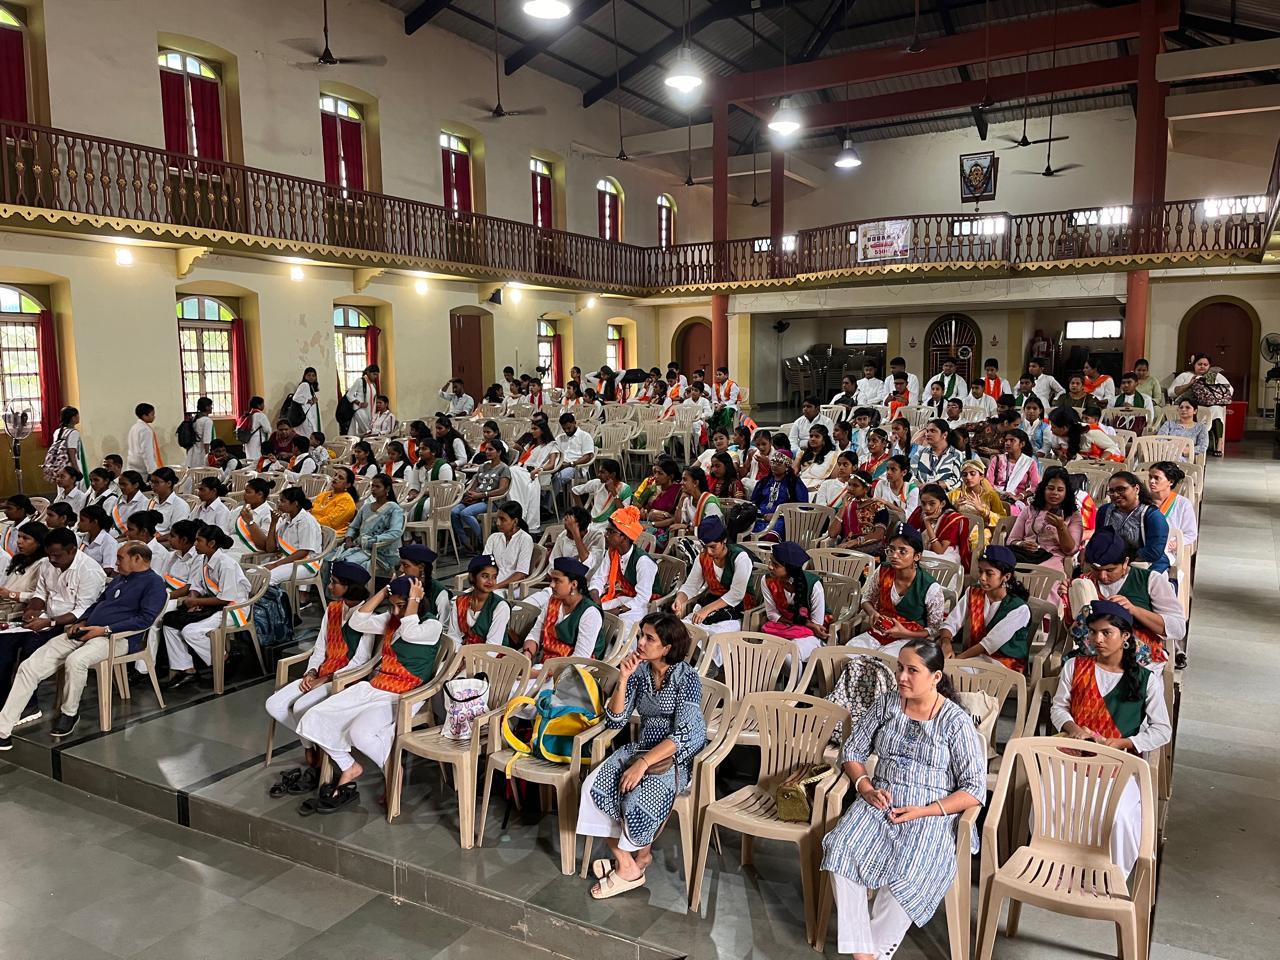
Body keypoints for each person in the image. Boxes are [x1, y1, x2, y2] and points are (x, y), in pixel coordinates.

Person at [820, 638, 986, 960]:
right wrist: (865, 787)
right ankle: (866, 955)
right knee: (840, 848)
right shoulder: (886, 705)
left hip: (931, 813)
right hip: (879, 799)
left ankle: (870, 953)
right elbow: (852, 751)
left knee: (910, 870)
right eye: (899, 668)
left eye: (912, 670)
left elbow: (974, 789)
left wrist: (925, 810)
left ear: (936, 677)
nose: (901, 677)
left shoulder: (955, 722)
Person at [578, 613, 705, 900]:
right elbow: (615, 720)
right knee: (592, 788)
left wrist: (643, 764)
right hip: (641, 748)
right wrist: (622, 679)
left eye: (649, 638)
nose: (641, 642)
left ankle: (637, 860)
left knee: (636, 798)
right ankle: (628, 865)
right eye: (641, 636)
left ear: (667, 647)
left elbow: (685, 734)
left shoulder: (688, 678)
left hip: (674, 760)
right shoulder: (639, 672)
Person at [294, 576, 446, 814]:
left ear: (416, 601)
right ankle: (349, 766)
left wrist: (413, 600)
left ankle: (393, 769)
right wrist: (386, 592)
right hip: (375, 686)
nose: (395, 611)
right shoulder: (392, 618)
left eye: (400, 605)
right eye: (392, 605)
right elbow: (358, 621)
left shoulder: (431, 626)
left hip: (403, 694)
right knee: (315, 715)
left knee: (360, 732)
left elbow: (410, 633)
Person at [0, 540, 164, 746]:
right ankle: (2, 730)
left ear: (137, 558)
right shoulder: (119, 579)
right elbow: (98, 603)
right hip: (86, 631)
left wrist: (104, 630)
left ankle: (69, 713)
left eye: (121, 558)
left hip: (115, 638)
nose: (116, 562)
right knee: (29, 667)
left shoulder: (154, 584)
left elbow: (145, 619)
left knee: (76, 661)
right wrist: (82, 621)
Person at [1049, 601, 1171, 873]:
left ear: (1125, 636)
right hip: (1076, 758)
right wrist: (1074, 729)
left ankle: (1109, 874)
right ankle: (1062, 868)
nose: (1097, 640)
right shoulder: (1075, 667)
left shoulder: (1144, 679)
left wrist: (1126, 743)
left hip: (1118, 764)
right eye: (1093, 633)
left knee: (1118, 816)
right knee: (1052, 803)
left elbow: (1162, 729)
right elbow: (1058, 707)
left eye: (1106, 633)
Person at [264, 561, 376, 797]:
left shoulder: (368, 617)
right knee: (274, 704)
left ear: (350, 587)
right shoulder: (333, 609)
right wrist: (312, 672)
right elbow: (319, 648)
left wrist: (325, 679)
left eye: (334, 583)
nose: (329, 585)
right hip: (322, 673)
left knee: (302, 705)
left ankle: (342, 760)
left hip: (345, 679)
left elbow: (361, 661)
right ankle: (311, 744)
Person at [0, 527, 108, 726]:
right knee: (4, 643)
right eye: (49, 555)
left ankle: (29, 706)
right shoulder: (48, 564)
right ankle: (6, 699)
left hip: (69, 625)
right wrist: (32, 610)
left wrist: (49, 622)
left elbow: (83, 610)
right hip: (45, 618)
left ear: (72, 551)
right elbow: (41, 594)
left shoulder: (89, 570)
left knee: (31, 650)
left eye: (57, 555)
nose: (52, 560)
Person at [1070, 528, 1184, 669]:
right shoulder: (1085, 583)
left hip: (1142, 659)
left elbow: (1178, 628)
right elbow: (1074, 629)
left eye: (1110, 570)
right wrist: (1069, 600)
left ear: (1125, 562)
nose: (1103, 576)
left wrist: (1135, 610)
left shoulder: (1150, 580)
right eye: (1096, 569)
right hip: (1095, 655)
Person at [160, 524, 250, 689]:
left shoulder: (226, 564)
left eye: (199, 541)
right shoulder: (203, 559)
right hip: (212, 605)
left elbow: (226, 598)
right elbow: (196, 585)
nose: (195, 544)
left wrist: (197, 602)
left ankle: (224, 659)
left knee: (191, 632)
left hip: (234, 608)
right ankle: (186, 669)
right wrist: (193, 599)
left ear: (211, 543)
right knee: (170, 623)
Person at [846, 523, 946, 655]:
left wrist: (905, 633)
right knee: (848, 653)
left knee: (884, 662)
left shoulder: (930, 587)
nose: (894, 555)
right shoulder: (883, 571)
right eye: (891, 550)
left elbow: (934, 629)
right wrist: (872, 613)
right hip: (880, 632)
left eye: (902, 551)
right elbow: (867, 598)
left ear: (917, 556)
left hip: (910, 639)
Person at [939, 545, 1031, 672]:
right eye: (980, 571)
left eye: (989, 573)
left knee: (950, 672)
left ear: (1006, 577)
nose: (982, 577)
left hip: (1004, 664)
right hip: (975, 657)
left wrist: (956, 661)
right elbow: (951, 623)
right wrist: (946, 643)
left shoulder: (1019, 609)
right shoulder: (974, 592)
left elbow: (988, 644)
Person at [671, 516, 753, 642]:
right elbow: (691, 586)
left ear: (724, 540)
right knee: (684, 629)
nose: (708, 552)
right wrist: (679, 600)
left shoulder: (740, 558)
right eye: (705, 547)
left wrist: (707, 610)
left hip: (739, 609)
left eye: (713, 547)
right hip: (712, 603)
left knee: (714, 637)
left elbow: (736, 594)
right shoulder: (703, 558)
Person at [521, 558, 605, 662]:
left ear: (574, 584)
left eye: (557, 581)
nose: (551, 585)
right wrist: (527, 654)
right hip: (546, 664)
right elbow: (536, 632)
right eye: (551, 580)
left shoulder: (590, 613)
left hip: (574, 671)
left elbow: (580, 659)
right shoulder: (553, 602)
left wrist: (540, 673)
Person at [760, 540, 828, 661]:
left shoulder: (813, 585)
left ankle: (797, 680)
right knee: (765, 651)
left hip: (812, 632)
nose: (770, 566)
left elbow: (817, 625)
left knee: (788, 655)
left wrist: (806, 624)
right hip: (783, 626)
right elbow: (772, 614)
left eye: (775, 565)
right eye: (770, 561)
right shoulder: (767, 581)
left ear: (790, 569)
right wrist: (793, 623)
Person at [591, 507, 657, 630]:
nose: (606, 535)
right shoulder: (612, 552)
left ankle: (626, 648)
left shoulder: (643, 561)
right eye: (607, 531)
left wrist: (617, 611)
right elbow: (599, 578)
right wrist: (595, 598)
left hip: (644, 605)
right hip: (623, 597)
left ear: (624, 537)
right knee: (589, 612)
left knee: (622, 625)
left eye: (611, 532)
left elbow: (642, 598)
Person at [1007, 466, 1082, 573]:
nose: (1055, 493)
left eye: (1060, 490)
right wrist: (1022, 544)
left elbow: (1071, 550)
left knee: (1038, 576)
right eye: (1051, 488)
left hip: (1053, 558)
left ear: (1066, 493)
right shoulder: (1029, 510)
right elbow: (1012, 540)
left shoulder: (1073, 515)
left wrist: (1061, 527)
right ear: (1043, 489)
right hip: (1025, 555)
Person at [1095, 470, 1169, 573]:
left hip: (1146, 566)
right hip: (1110, 566)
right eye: (1111, 491)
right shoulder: (1104, 511)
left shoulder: (1152, 515)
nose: (1115, 494)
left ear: (1136, 489)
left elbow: (1153, 552)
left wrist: (1119, 560)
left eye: (1121, 489)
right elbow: (1098, 541)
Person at [333, 474, 405, 577]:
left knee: (348, 564)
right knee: (331, 560)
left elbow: (395, 532)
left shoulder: (394, 508)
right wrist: (349, 539)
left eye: (377, 487)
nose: (373, 489)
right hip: (360, 548)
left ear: (387, 488)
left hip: (381, 552)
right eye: (372, 486)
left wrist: (371, 541)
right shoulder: (366, 507)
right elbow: (353, 527)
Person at [451, 441, 512, 554]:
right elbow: (474, 485)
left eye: (491, 449)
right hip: (477, 498)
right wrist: (469, 494)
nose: (487, 452)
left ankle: (482, 541)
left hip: (492, 501)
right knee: (454, 512)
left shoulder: (504, 468)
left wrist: (482, 495)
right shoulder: (483, 467)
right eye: (486, 449)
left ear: (499, 452)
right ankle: (465, 541)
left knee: (465, 513)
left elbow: (502, 489)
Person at [260, 487, 324, 588]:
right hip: (288, 560)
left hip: (305, 563)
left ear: (295, 503)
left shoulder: (306, 521)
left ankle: (271, 603)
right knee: (254, 573)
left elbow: (304, 551)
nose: (279, 504)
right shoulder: (287, 519)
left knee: (268, 578)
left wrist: (276, 565)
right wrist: (273, 523)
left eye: (283, 501)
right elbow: (270, 548)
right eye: (279, 501)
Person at [449, 554, 511, 645]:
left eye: (494, 577)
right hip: (463, 654)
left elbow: (493, 646)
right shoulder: (459, 602)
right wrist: (460, 656)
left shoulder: (500, 606)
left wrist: (469, 658)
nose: (490, 582)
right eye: (485, 576)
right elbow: (453, 636)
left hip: (493, 656)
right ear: (472, 577)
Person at [909, 484, 970, 568]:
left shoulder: (952, 519)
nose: (927, 508)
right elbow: (907, 532)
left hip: (946, 557)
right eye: (923, 503)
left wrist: (927, 523)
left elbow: (939, 550)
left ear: (942, 503)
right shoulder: (920, 512)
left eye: (932, 504)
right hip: (927, 553)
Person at [1147, 461, 1197, 561]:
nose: (1151, 481)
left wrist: (1175, 544)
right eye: (1150, 477)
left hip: (1167, 551)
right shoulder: (1143, 501)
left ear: (1171, 481)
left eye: (1157, 478)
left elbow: (1190, 534)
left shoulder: (1183, 504)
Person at [949, 460, 1006, 549]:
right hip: (958, 527)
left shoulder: (990, 495)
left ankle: (975, 562)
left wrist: (983, 511)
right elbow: (943, 515)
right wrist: (954, 508)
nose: (968, 477)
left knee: (976, 540)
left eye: (972, 474)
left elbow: (1003, 519)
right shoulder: (955, 494)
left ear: (981, 476)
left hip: (981, 529)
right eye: (964, 475)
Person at [482, 500, 534, 594]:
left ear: (515, 521)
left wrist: (496, 586)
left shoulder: (525, 539)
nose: (498, 523)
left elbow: (521, 573)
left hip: (511, 588)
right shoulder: (493, 538)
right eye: (497, 518)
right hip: (490, 583)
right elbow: (484, 564)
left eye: (502, 519)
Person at [749, 452, 808, 535]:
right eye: (773, 462)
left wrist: (778, 515)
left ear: (787, 467)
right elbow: (753, 502)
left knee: (770, 536)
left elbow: (802, 507)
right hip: (760, 518)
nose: (774, 466)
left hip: (783, 520)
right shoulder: (764, 482)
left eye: (779, 464)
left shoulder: (794, 483)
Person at [984, 429, 1039, 513]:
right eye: (1006, 440)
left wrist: (1018, 497)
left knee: (1009, 509)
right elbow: (988, 483)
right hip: (995, 497)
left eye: (1012, 440)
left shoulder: (1029, 463)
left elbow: (1034, 487)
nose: (1007, 443)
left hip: (1017, 501)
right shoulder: (997, 459)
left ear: (1022, 444)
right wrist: (998, 495)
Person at [571, 458, 632, 532]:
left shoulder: (625, 489)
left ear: (613, 474)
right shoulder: (597, 483)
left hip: (609, 528)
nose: (598, 475)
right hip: (591, 524)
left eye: (602, 472)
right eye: (599, 472)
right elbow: (575, 491)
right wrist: (583, 515)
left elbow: (624, 515)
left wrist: (614, 492)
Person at [1048, 407, 1123, 463]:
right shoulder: (1056, 434)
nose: (1051, 429)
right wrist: (1060, 453)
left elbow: (1112, 447)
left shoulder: (1090, 432)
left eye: (1053, 427)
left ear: (1064, 428)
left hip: (1097, 467)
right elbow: (1055, 448)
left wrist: (1101, 460)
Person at [551, 413, 596, 505]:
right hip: (560, 465)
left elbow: (587, 457)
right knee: (544, 476)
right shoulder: (560, 438)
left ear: (574, 423)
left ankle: (546, 506)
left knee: (559, 477)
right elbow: (553, 453)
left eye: (569, 428)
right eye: (564, 429)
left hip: (576, 467)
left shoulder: (585, 436)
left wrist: (571, 464)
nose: (567, 431)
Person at [550, 506, 606, 575]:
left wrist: (575, 534)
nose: (567, 535)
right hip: (566, 580)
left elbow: (589, 565)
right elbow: (553, 564)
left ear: (584, 531)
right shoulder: (563, 535)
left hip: (588, 581)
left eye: (570, 532)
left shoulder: (597, 536)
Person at [0, 522, 47, 602]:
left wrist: (11, 594)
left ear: (39, 542)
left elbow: (42, 595)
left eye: (25, 538)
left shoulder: (44, 563)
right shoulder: (19, 559)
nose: (19, 541)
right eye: (19, 537)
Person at [911, 419, 963, 490]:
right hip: (920, 494)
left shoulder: (956, 455)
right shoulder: (920, 452)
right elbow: (911, 474)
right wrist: (921, 487)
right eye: (927, 431)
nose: (927, 434)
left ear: (944, 435)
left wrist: (934, 485)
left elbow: (957, 480)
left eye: (932, 431)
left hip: (946, 496)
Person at [229, 476, 274, 556]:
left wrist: (250, 522)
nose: (244, 495)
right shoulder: (239, 509)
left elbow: (264, 545)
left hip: (248, 552)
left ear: (260, 494)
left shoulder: (269, 515)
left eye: (248, 492)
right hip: (229, 545)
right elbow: (227, 529)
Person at [313, 467, 358, 538]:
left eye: (340, 477)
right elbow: (311, 510)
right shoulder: (324, 494)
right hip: (314, 527)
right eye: (335, 475)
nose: (335, 478)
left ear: (347, 485)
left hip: (330, 534)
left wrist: (310, 523)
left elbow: (330, 522)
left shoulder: (347, 501)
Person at [48, 406, 88, 484]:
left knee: (62, 488)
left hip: (60, 466)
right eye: (77, 415)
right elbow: (71, 452)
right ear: (73, 418)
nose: (78, 417)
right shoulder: (73, 433)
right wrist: (77, 470)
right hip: (71, 467)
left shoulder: (57, 431)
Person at [870, 454, 919, 518]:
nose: (888, 472)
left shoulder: (912, 489)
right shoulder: (881, 484)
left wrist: (886, 503)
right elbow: (875, 509)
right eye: (887, 469)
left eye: (893, 469)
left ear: (904, 472)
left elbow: (909, 516)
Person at [796, 425, 839, 492]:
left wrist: (816, 488)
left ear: (824, 440)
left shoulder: (833, 455)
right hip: (800, 488)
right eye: (811, 436)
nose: (813, 439)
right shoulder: (802, 453)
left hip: (820, 490)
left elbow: (832, 480)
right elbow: (793, 472)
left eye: (817, 436)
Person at [77, 505, 118, 572]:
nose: (78, 524)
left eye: (82, 520)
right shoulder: (83, 538)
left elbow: (108, 570)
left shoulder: (109, 542)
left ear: (94, 522)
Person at [126, 403, 163, 476]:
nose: (154, 417)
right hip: (142, 468)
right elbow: (147, 451)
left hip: (132, 465)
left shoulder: (134, 427)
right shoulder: (146, 430)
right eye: (152, 414)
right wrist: (152, 471)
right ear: (144, 416)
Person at [111, 472, 149, 541]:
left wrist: (117, 540)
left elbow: (139, 529)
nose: (121, 487)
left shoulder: (144, 503)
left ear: (136, 485)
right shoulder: (120, 499)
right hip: (117, 535)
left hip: (132, 539)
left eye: (124, 484)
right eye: (120, 484)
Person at [345, 364, 380, 436]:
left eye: (377, 375)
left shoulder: (373, 385)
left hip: (370, 412)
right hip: (359, 409)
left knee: (362, 432)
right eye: (374, 374)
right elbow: (349, 394)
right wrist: (359, 403)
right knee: (367, 430)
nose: (375, 377)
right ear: (368, 372)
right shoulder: (360, 381)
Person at [183, 396, 215, 468]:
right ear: (206, 407)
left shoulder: (196, 419)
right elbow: (206, 441)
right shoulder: (207, 421)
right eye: (210, 406)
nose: (211, 408)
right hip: (202, 454)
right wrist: (208, 456)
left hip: (192, 453)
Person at [241, 395, 273, 463]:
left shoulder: (248, 415)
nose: (264, 405)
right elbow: (267, 429)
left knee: (250, 458)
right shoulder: (260, 415)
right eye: (263, 404)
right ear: (258, 405)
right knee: (257, 459)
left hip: (247, 440)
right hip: (257, 441)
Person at [292, 368, 322, 435]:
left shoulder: (310, 386)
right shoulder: (304, 385)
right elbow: (295, 398)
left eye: (313, 375)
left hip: (310, 417)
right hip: (306, 417)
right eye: (309, 375)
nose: (311, 377)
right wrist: (308, 401)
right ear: (305, 376)